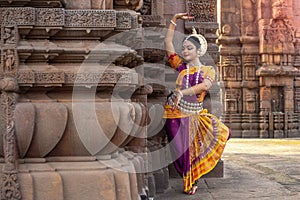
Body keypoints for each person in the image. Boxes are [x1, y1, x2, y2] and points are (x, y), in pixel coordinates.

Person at [163, 13, 231, 195]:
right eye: (184, 48)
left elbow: (204, 86)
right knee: (178, 149)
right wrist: (174, 20)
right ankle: (189, 177)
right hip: (173, 114)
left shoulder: (208, 70)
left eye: (189, 48)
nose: (185, 51)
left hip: (194, 115)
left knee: (192, 149)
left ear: (198, 50)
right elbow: (168, 44)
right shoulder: (180, 66)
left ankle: (192, 180)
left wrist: (181, 92)